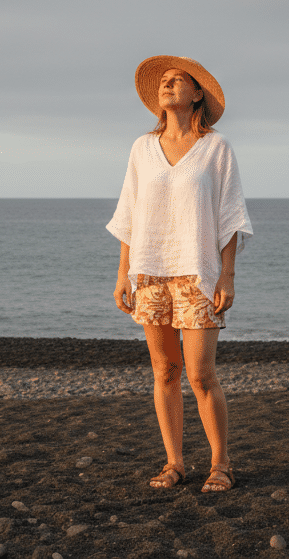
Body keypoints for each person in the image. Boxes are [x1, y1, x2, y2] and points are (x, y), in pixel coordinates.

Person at [106, 55, 253, 493]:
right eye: (163, 82)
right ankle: (174, 464)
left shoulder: (217, 148)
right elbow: (129, 216)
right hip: (149, 273)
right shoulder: (141, 148)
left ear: (197, 94)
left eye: (177, 81)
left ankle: (221, 464)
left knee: (201, 374)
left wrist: (227, 275)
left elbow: (230, 216)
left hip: (197, 273)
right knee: (164, 372)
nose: (168, 86)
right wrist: (123, 275)